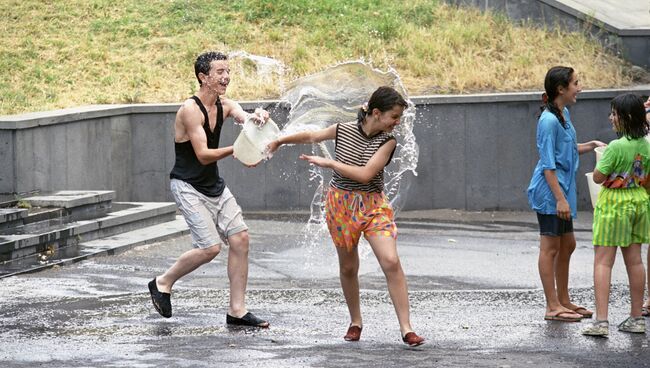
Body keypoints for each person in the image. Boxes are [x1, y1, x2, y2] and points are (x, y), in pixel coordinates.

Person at [266, 86, 424, 346]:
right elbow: (313, 135)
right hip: (340, 205)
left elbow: (365, 174)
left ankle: (407, 329)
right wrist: (280, 140)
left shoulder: (388, 141)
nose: (397, 123)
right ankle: (355, 322)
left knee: (391, 261)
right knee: (348, 267)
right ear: (376, 112)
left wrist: (331, 164)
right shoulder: (343, 130)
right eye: (394, 117)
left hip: (373, 206)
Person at [147, 51, 269, 328]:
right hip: (187, 185)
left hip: (214, 185)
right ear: (203, 77)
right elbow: (202, 154)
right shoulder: (190, 110)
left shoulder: (225, 104)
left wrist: (257, 117)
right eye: (219, 72)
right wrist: (238, 150)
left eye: (227, 71)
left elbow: (245, 119)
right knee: (210, 247)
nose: (226, 77)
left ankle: (237, 311)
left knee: (241, 239)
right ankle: (162, 282)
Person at [527, 66, 606, 322]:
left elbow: (570, 148)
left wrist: (592, 144)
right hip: (551, 192)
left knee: (567, 245)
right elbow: (548, 164)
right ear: (561, 89)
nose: (579, 87)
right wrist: (559, 198)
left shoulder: (563, 113)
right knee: (550, 248)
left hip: (563, 191)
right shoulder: (548, 121)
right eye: (575, 83)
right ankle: (552, 306)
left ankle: (563, 299)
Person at [581, 94, 650, 336]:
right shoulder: (646, 145)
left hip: (614, 205)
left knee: (603, 261)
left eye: (614, 114)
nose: (611, 118)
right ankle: (637, 318)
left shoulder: (614, 147)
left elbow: (599, 178)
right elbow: (647, 180)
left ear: (626, 117)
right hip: (639, 202)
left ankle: (601, 322)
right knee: (635, 261)